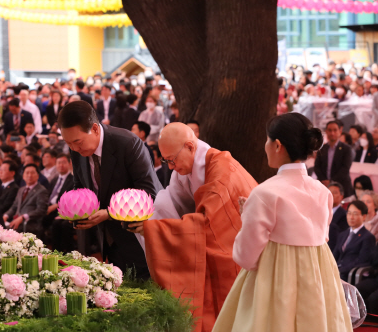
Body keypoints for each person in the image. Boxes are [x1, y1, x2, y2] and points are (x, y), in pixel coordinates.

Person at [212, 113, 352, 332]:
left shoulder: (264, 193)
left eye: (267, 140)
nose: (265, 146)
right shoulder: (322, 192)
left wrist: (247, 216)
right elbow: (320, 238)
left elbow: (246, 257)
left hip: (275, 281)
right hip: (318, 280)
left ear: (277, 145)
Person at [128, 123, 256, 332]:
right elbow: (168, 206)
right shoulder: (185, 169)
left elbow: (207, 226)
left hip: (235, 249)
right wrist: (145, 220)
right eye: (166, 161)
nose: (170, 167)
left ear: (189, 146)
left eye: (172, 160)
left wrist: (152, 229)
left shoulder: (222, 172)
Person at [58, 101, 163, 280]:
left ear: (95, 129)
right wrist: (79, 211)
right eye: (69, 144)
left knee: (144, 287)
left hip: (138, 234)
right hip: (107, 237)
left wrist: (109, 213)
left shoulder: (128, 143)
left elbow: (148, 192)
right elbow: (80, 186)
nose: (74, 149)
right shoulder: (77, 150)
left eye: (77, 142)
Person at [333, 201, 375, 281]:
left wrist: (341, 270)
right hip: (337, 271)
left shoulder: (367, 237)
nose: (351, 217)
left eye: (355, 214)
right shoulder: (343, 234)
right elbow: (335, 255)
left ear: (364, 216)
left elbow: (362, 260)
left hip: (349, 274)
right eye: (349, 213)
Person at [3, 164, 49, 237]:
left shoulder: (42, 190)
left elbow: (41, 210)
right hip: (16, 222)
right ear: (23, 175)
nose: (29, 175)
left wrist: (23, 217)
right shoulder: (21, 189)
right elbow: (14, 207)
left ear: (38, 175)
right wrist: (6, 216)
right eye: (27, 173)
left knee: (5, 233)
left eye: (32, 173)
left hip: (31, 224)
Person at [314, 120, 354, 197]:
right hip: (324, 186)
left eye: (335, 130)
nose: (332, 133)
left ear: (340, 131)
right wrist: (324, 180)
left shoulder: (346, 149)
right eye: (329, 130)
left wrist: (331, 181)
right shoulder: (322, 148)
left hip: (341, 187)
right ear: (326, 131)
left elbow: (345, 168)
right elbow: (317, 167)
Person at [45, 153, 75, 251]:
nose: (61, 165)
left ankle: (58, 253)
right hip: (48, 208)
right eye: (58, 163)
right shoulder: (54, 180)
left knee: (58, 224)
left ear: (69, 163)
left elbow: (70, 199)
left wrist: (55, 206)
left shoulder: (73, 180)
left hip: (62, 209)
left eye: (63, 162)